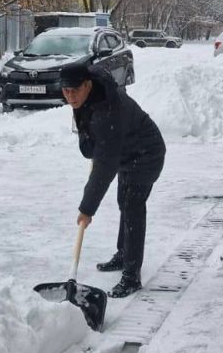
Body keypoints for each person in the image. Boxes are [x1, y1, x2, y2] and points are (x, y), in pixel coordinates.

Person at [60, 61, 166, 298]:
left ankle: (131, 276)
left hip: (147, 154)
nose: (70, 97)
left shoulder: (107, 112)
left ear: (87, 85)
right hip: (127, 154)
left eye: (74, 91)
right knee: (124, 202)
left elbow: (104, 167)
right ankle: (123, 253)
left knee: (132, 207)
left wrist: (87, 209)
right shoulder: (92, 91)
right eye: (65, 91)